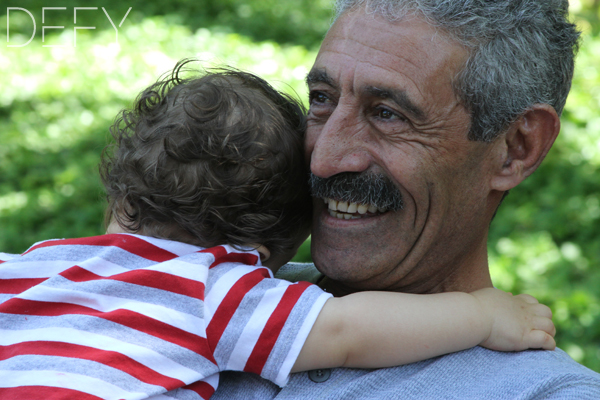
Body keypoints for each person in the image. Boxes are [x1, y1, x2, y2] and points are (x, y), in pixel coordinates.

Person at [0, 63, 555, 400]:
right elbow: (347, 332)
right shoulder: (214, 291)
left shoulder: (32, 264)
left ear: (122, 195)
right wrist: (483, 315)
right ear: (259, 255)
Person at [211, 0, 600, 399]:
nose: (324, 160)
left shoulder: (546, 392)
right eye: (322, 98)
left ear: (516, 148)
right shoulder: (204, 286)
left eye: (387, 114)